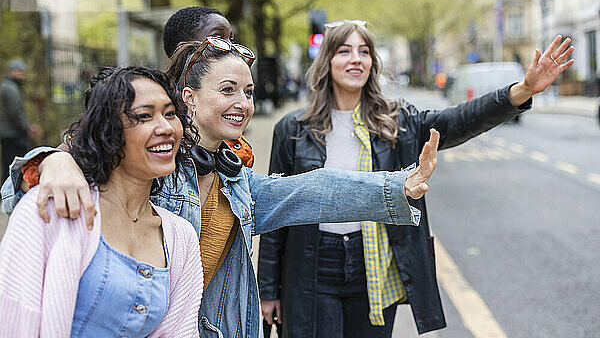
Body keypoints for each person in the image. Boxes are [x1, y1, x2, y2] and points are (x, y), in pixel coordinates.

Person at [0, 37, 441, 338]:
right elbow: (26, 195)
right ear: (188, 97)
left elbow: (310, 192)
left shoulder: (235, 180)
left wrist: (398, 186)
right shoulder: (146, 165)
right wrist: (52, 160)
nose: (243, 104)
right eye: (228, 89)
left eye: (248, 92)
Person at [257, 21, 575, 337]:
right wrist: (267, 288)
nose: (356, 59)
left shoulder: (398, 122)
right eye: (344, 51)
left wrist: (523, 90)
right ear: (326, 60)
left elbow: (459, 119)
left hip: (374, 263)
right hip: (311, 261)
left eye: (364, 51)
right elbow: (277, 212)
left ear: (372, 63)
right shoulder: (292, 129)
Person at [0, 66, 203, 337]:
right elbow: (15, 319)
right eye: (143, 116)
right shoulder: (51, 207)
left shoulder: (181, 237)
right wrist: (53, 158)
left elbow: (180, 331)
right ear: (108, 132)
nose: (165, 127)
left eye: (170, 114)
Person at [163, 6, 255, 167]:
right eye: (218, 38)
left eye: (231, 41)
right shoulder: (161, 143)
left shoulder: (236, 151)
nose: (230, 49)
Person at [0, 59, 41, 181]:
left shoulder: (8, 86)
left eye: (23, 71)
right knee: (17, 167)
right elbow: (16, 114)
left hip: (8, 134)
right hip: (13, 135)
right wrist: (28, 129)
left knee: (9, 165)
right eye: (19, 71)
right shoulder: (10, 89)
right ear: (11, 71)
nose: (22, 75)